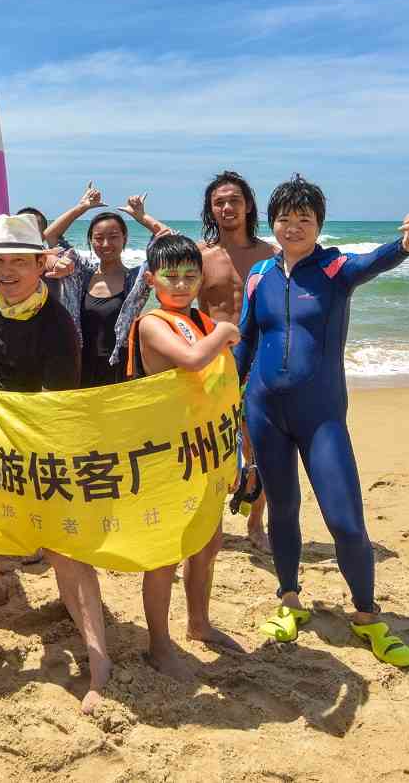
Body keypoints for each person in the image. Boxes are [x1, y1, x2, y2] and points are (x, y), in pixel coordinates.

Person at [234, 175, 409, 668]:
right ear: (272, 223)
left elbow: (374, 263)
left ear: (319, 223)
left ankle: (366, 615)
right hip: (263, 411)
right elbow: (246, 342)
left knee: (345, 522)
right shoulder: (259, 274)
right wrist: (225, 400)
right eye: (285, 219)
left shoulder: (336, 267)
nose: (293, 227)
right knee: (282, 511)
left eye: (304, 219)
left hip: (321, 416)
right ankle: (289, 599)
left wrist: (406, 244)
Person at [0, 215, 111, 714]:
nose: (6, 271)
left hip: (39, 444)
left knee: (63, 548)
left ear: (41, 264)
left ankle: (99, 659)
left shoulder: (57, 325)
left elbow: (54, 409)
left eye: (19, 261)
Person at [122, 234, 245, 676]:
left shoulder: (197, 319)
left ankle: (199, 624)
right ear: (151, 278)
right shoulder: (155, 321)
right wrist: (226, 331)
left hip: (204, 449)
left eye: (190, 275)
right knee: (165, 553)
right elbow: (194, 361)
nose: (180, 283)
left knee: (208, 544)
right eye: (170, 276)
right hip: (166, 454)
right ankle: (159, 643)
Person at [40, 182, 167, 386]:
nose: (106, 244)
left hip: (121, 370)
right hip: (79, 366)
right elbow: (50, 235)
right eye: (98, 238)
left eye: (114, 237)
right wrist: (82, 206)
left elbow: (167, 238)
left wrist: (141, 217)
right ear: (91, 240)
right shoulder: (80, 273)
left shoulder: (137, 278)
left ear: (124, 239)